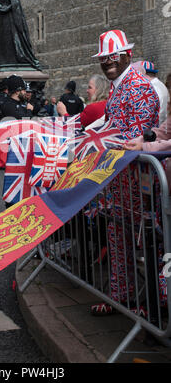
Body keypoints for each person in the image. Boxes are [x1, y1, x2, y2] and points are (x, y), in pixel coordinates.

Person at [89, 29, 160, 316]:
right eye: (104, 58)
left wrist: (101, 145)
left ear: (127, 55)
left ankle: (154, 305)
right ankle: (123, 296)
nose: (108, 62)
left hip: (134, 180)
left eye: (114, 57)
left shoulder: (138, 86)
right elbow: (111, 128)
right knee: (118, 237)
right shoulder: (120, 86)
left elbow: (135, 137)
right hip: (117, 181)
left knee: (146, 243)